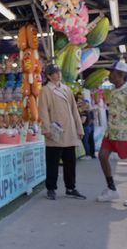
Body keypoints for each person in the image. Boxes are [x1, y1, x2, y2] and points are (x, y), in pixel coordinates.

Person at [95, 61, 127, 207]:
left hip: (125, 134)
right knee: (102, 156)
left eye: (112, 73)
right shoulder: (113, 91)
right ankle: (111, 188)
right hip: (111, 133)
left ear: (121, 75)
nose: (109, 75)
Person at [39, 65, 86, 200]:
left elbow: (74, 110)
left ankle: (70, 187)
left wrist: (79, 128)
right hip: (55, 129)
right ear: (48, 76)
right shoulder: (46, 90)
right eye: (54, 73)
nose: (58, 75)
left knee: (70, 160)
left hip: (69, 129)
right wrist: (46, 129)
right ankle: (51, 188)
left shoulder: (66, 89)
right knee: (53, 160)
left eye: (59, 72)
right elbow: (43, 111)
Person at [79, 93, 96, 159]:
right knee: (90, 141)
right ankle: (91, 154)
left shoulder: (85, 112)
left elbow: (83, 121)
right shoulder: (89, 111)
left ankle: (88, 154)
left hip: (86, 127)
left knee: (86, 141)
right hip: (90, 127)